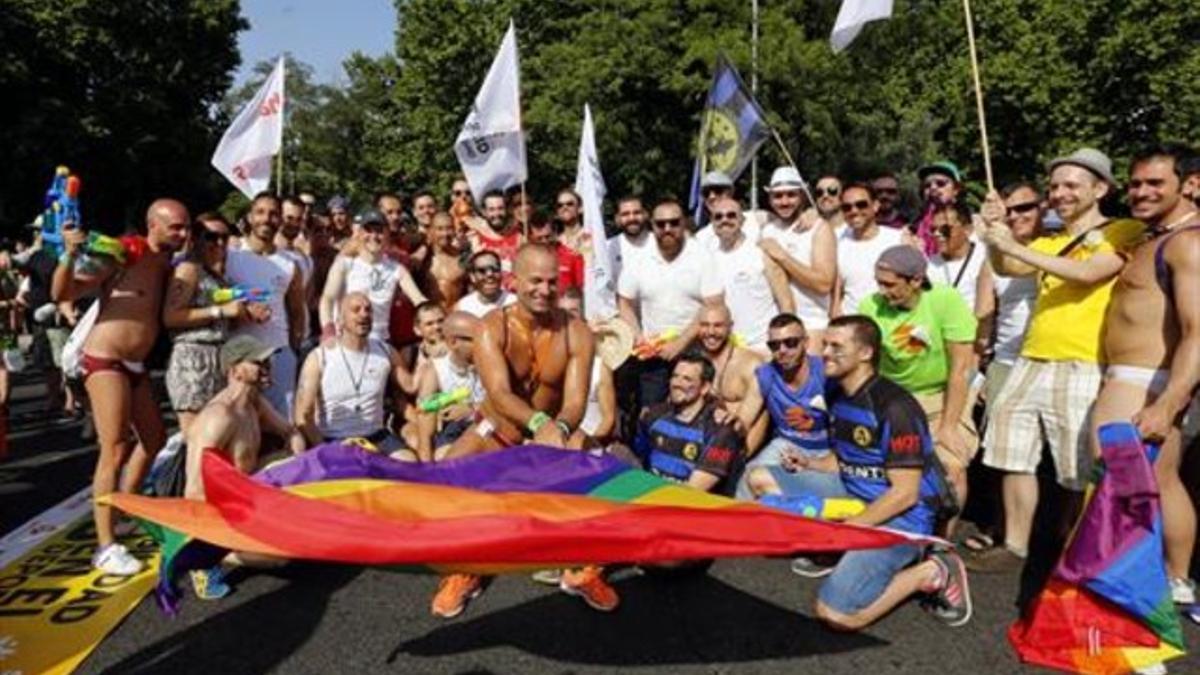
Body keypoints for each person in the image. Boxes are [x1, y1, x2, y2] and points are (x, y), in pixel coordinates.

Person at [975, 148, 1144, 575]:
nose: (1060, 193)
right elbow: (1009, 265)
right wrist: (996, 234)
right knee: (1010, 452)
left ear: (1100, 189)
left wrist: (1013, 244)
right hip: (1031, 359)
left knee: (1075, 467)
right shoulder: (1050, 241)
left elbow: (1090, 273)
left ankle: (1073, 545)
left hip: (1082, 361)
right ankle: (1015, 544)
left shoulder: (1121, 230)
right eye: (1055, 186)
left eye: (1072, 185)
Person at [743, 315, 971, 630]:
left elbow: (905, 494)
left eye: (837, 346)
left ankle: (932, 572)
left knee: (835, 616)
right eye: (825, 344)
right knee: (760, 478)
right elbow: (847, 460)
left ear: (865, 353)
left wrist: (844, 532)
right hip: (853, 495)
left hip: (901, 517)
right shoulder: (837, 394)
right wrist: (810, 465)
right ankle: (844, 549)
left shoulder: (895, 407)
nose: (825, 353)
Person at [433, 244, 604, 618]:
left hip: (555, 433)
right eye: (535, 281)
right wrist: (538, 423)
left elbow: (574, 402)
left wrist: (555, 426)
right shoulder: (491, 327)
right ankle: (465, 570)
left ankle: (579, 568)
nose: (544, 289)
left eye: (551, 281)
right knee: (447, 482)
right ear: (515, 281)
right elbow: (499, 393)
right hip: (502, 427)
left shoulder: (577, 332)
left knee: (594, 478)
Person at [1086, 145, 1200, 603]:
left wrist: (1167, 403)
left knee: (1129, 490)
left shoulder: (1187, 243)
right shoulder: (1153, 236)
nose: (1141, 192)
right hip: (1131, 380)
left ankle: (1143, 596)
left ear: (1189, 184)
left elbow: (1196, 332)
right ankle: (1171, 584)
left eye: (1156, 183)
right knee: (1158, 483)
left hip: (1143, 384)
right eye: (1135, 183)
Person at [52, 198, 188, 574]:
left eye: (184, 226)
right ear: (153, 225)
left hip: (135, 364)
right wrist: (67, 255)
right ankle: (105, 546)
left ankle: (125, 504)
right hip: (105, 359)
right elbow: (64, 292)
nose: (182, 233)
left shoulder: (169, 263)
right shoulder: (125, 253)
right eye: (175, 226)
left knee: (154, 439)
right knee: (113, 448)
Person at [858, 245, 977, 528]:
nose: (882, 291)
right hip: (894, 399)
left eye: (889, 284)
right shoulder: (870, 306)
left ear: (915, 280)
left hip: (942, 395)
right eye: (878, 282)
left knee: (953, 467)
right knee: (886, 470)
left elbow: (960, 368)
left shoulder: (946, 300)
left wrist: (949, 426)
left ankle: (941, 544)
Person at [183, 334, 307, 598]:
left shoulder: (253, 404)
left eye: (266, 361)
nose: (267, 367)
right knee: (283, 556)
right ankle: (206, 555)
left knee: (294, 462)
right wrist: (211, 534)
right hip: (220, 511)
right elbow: (194, 491)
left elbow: (291, 433)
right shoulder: (218, 417)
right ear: (235, 370)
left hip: (246, 495)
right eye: (258, 362)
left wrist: (301, 467)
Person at [618, 199, 724, 408]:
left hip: (694, 353)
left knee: (692, 414)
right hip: (653, 355)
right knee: (651, 413)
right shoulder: (640, 258)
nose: (667, 229)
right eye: (661, 224)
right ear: (652, 225)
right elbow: (625, 302)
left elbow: (713, 305)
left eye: (674, 223)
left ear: (684, 223)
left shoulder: (701, 256)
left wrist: (681, 343)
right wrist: (638, 337)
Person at [163, 213, 260, 437]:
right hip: (192, 358)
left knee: (218, 436)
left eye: (224, 238)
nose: (218, 244)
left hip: (219, 358)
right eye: (211, 237)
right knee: (196, 438)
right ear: (195, 239)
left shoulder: (217, 276)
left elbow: (222, 321)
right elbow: (171, 317)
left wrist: (245, 313)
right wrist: (221, 310)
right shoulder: (189, 269)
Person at [296, 292, 414, 456]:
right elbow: (302, 414)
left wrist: (429, 354)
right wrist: (323, 448)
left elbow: (412, 386)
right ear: (340, 320)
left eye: (368, 310)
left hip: (376, 436)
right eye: (356, 310)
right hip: (334, 438)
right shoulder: (319, 357)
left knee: (408, 462)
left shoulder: (386, 351)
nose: (364, 314)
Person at [225, 193, 307, 418]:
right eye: (260, 212)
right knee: (238, 423)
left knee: (282, 425)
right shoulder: (230, 254)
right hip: (239, 354)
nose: (266, 219)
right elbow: (214, 294)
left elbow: (297, 312)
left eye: (273, 214)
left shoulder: (290, 264)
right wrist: (244, 302)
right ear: (250, 217)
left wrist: (291, 350)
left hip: (278, 354)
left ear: (280, 220)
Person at [733, 313, 831, 501]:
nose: (782, 350)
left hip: (827, 448)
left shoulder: (825, 373)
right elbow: (743, 420)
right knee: (749, 475)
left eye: (791, 342)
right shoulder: (765, 375)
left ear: (806, 343)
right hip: (786, 444)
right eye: (774, 345)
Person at [632, 353, 744, 494]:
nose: (677, 383)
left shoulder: (720, 430)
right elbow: (638, 462)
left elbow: (693, 491)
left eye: (687, 379)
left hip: (692, 509)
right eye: (675, 376)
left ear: (704, 388)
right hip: (650, 500)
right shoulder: (652, 416)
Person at [319, 209, 427, 345]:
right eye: (368, 230)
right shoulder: (345, 264)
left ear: (387, 234)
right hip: (345, 340)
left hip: (380, 343)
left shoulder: (396, 269)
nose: (374, 236)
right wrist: (328, 330)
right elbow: (328, 298)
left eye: (379, 231)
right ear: (360, 233)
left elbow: (419, 300)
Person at [759, 166, 836, 350]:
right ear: (769, 198)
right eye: (777, 196)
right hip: (776, 329)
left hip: (812, 326)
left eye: (791, 195)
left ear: (802, 195)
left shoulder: (818, 228)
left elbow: (823, 284)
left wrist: (783, 257)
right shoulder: (767, 229)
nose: (784, 201)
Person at [704, 196, 792, 351]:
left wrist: (785, 343)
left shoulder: (760, 253)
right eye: (718, 216)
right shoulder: (707, 258)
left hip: (762, 347)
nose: (725, 220)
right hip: (725, 349)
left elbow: (786, 303)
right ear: (712, 222)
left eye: (731, 215)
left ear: (742, 220)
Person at [411, 311, 485, 461]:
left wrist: (472, 409)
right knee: (442, 457)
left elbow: (506, 403)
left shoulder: (492, 362)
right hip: (454, 429)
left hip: (486, 423)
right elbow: (425, 422)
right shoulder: (436, 369)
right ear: (453, 342)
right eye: (474, 338)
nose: (483, 342)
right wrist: (426, 472)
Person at [833, 183, 906, 318]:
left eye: (861, 205)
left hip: (891, 321)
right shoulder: (836, 239)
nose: (854, 211)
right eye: (846, 207)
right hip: (851, 323)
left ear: (875, 206)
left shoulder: (898, 239)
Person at [558, 289, 616, 445]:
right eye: (561, 311)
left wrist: (588, 445)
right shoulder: (548, 361)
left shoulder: (599, 365)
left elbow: (608, 418)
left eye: (573, 311)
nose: (567, 316)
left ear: (583, 317)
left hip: (589, 444)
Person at [929, 201, 988, 310]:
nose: (937, 234)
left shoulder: (985, 258)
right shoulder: (929, 266)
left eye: (945, 229)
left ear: (967, 230)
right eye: (933, 230)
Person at [913, 161, 966, 255]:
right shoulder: (915, 225)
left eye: (940, 183)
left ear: (956, 189)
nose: (933, 188)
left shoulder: (969, 223)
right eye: (927, 185)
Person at [419, 212, 468, 309]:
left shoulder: (463, 258)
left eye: (449, 228)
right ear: (431, 231)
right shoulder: (423, 258)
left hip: (454, 318)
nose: (445, 233)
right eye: (440, 229)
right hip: (430, 320)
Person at [527, 216, 585, 292]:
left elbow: (581, 288)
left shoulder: (572, 256)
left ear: (555, 232)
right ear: (531, 238)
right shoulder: (525, 259)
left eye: (548, 236)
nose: (545, 241)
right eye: (539, 238)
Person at [454, 250, 516, 318]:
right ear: (472, 277)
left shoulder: (515, 302)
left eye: (494, 269)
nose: (489, 274)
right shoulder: (463, 308)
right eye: (482, 270)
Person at [606, 195, 650, 283]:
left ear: (646, 215)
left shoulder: (659, 243)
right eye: (625, 214)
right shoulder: (607, 247)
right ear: (617, 218)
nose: (632, 218)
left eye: (637, 212)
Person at [553, 187, 587, 253]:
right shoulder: (555, 242)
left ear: (580, 208)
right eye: (560, 205)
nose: (564, 207)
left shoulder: (589, 237)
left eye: (570, 204)